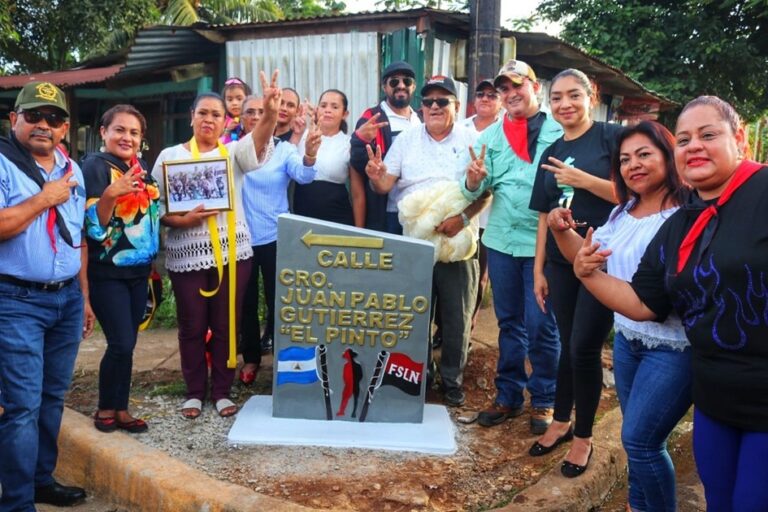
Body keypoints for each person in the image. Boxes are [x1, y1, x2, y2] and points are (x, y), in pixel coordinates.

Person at [573, 96, 768, 510]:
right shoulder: (682, 221)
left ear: (741, 140)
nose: (693, 146)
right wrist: (586, 272)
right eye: (684, 139)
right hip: (715, 398)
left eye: (708, 135)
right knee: (718, 499)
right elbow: (643, 303)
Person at [544, 121, 691, 511]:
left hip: (672, 347)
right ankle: (637, 505)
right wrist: (561, 231)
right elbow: (591, 257)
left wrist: (584, 269)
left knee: (641, 442)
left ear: (668, 156)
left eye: (645, 155)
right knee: (638, 438)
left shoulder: (685, 214)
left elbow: (641, 295)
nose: (633, 165)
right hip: (628, 339)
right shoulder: (625, 209)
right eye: (625, 159)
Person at [0, 81, 95, 510]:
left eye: (53, 118)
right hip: (17, 300)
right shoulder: (3, 163)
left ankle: (41, 480)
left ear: (65, 127)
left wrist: (84, 296)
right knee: (21, 407)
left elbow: (78, 240)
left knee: (52, 398)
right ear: (13, 119)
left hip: (66, 300)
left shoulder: (70, 169)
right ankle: (17, 502)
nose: (43, 125)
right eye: (34, 116)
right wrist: (44, 198)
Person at [366, 76, 488, 407]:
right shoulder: (406, 140)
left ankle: (452, 379)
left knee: (456, 315)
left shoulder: (473, 139)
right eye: (429, 101)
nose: (435, 106)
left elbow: (488, 190)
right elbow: (385, 185)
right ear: (421, 106)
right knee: (415, 312)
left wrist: (462, 219)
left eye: (442, 101)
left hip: (458, 238)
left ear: (457, 106)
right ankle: (420, 373)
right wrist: (376, 177)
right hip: (415, 242)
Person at [528, 68, 623, 477]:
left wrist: (584, 180)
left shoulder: (612, 139)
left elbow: (635, 193)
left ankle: (584, 436)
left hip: (603, 260)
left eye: (573, 95)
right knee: (569, 343)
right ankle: (562, 422)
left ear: (591, 95)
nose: (565, 104)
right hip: (560, 263)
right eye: (557, 98)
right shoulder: (550, 150)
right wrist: (538, 269)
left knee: (584, 347)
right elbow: (543, 216)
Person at [462, 60, 563, 434]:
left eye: (517, 85)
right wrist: (472, 181)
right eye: (503, 89)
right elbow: (470, 189)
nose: (510, 94)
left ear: (535, 87)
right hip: (503, 241)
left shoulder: (560, 131)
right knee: (509, 323)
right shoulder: (489, 137)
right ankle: (508, 394)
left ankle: (545, 397)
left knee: (541, 325)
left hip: (545, 244)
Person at [151, 92, 253, 419]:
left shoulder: (234, 153)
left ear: (226, 122)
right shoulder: (169, 155)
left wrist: (272, 110)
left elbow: (262, 138)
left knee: (226, 324)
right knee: (191, 325)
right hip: (186, 253)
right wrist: (179, 220)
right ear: (191, 116)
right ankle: (194, 391)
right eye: (203, 113)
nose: (209, 120)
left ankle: (222, 389)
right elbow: (153, 205)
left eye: (216, 115)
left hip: (232, 253)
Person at [81, 104, 160, 434]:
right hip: (108, 273)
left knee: (128, 344)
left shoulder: (141, 169)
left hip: (138, 273)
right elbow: (93, 229)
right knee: (121, 342)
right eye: (119, 130)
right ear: (104, 132)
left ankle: (121, 407)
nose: (126, 137)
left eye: (134, 132)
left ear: (141, 139)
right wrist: (110, 195)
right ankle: (105, 408)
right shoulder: (95, 168)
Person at [235, 74, 319, 382]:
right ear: (241, 119)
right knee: (245, 302)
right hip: (241, 238)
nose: (257, 118)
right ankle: (252, 360)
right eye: (251, 113)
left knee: (279, 301)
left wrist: (309, 154)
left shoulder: (284, 150)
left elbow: (304, 176)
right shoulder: (232, 151)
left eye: (262, 112)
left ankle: (284, 363)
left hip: (275, 237)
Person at [350, 60, 421, 233]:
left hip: (420, 210)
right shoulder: (372, 117)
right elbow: (359, 164)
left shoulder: (421, 119)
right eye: (394, 81)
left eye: (407, 81)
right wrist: (359, 140)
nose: (401, 86)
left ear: (414, 86)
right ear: (384, 87)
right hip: (389, 211)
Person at [294, 89, 365, 227]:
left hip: (338, 219)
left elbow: (357, 195)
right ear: (317, 109)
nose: (327, 110)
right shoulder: (301, 136)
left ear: (345, 114)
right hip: (301, 218)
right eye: (323, 105)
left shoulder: (349, 143)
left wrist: (360, 232)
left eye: (335, 107)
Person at [220, 76, 251, 144]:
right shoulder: (222, 122)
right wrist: (227, 130)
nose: (234, 103)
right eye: (230, 100)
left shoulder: (252, 119)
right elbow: (217, 144)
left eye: (239, 99)